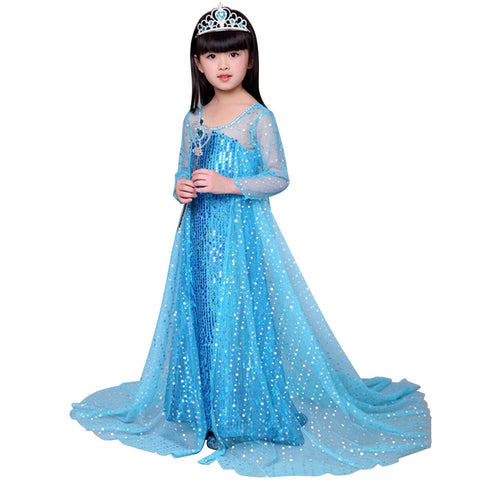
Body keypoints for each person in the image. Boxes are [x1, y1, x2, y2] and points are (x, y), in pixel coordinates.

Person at [70, 4, 431, 476]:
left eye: (234, 54)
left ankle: (241, 412)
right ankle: (203, 409)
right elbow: (182, 167)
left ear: (250, 59)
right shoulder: (194, 118)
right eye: (212, 56)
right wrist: (179, 185)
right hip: (198, 239)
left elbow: (279, 176)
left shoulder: (258, 117)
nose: (223, 64)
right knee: (200, 314)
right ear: (198, 63)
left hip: (240, 241)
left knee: (237, 316)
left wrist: (230, 184)